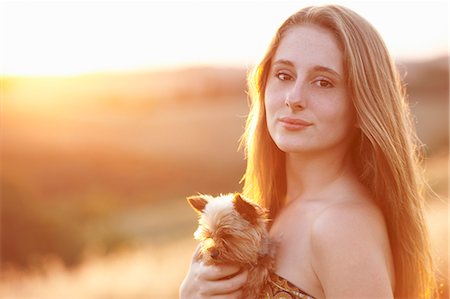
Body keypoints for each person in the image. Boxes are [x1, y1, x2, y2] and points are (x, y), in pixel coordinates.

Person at [180, 4, 437, 299]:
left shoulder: (341, 227)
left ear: (362, 102)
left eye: (323, 82)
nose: (294, 98)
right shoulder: (273, 207)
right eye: (284, 75)